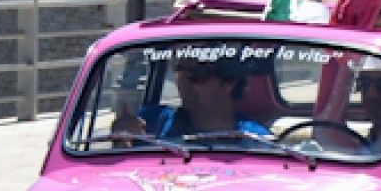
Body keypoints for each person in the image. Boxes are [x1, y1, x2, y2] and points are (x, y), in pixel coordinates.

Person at [112, 58, 269, 141]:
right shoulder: (152, 122)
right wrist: (122, 140)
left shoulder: (256, 138)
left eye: (196, 76)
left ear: (229, 83)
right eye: (180, 73)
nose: (183, 84)